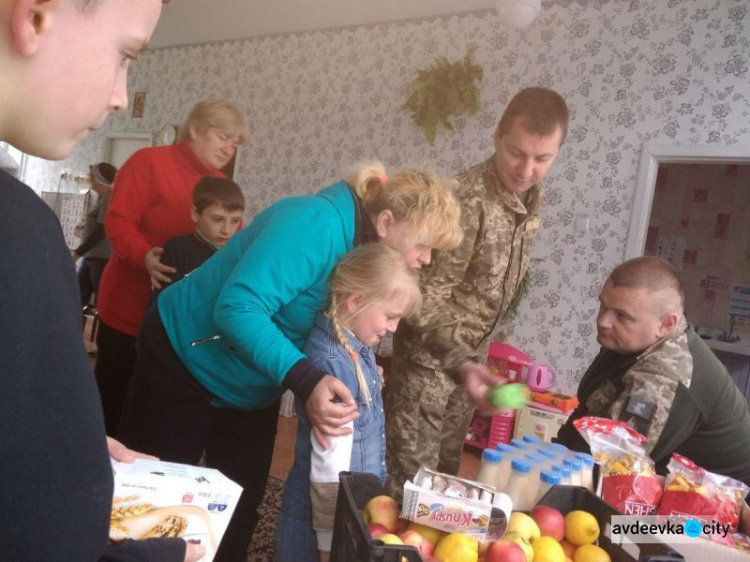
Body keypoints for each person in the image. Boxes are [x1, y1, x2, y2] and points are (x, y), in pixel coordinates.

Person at [119, 162, 464, 561]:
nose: (425, 259)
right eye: (424, 246)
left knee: (240, 497)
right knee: (155, 500)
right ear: (385, 222)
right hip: (182, 355)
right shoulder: (314, 224)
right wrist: (306, 378)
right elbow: (237, 308)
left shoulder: (364, 252)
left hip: (249, 379)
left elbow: (335, 319)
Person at [0, 0, 201, 560]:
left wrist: (68, 444)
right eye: (124, 56)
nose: (120, 94)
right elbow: (44, 538)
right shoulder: (16, 233)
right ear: (35, 17)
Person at [385, 87, 570, 501]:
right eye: (516, 152)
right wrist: (463, 364)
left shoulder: (529, 202)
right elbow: (421, 296)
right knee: (411, 489)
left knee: (446, 488)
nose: (526, 169)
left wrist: (474, 367)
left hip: (469, 372)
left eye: (542, 159)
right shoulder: (463, 200)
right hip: (429, 369)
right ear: (496, 138)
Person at [95, 97, 248, 436]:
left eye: (235, 142)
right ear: (195, 129)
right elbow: (118, 222)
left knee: (156, 414)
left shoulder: (220, 182)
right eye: (223, 136)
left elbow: (231, 243)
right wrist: (144, 255)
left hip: (180, 322)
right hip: (128, 307)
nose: (229, 147)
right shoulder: (148, 161)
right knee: (113, 402)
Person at [276, 244, 422, 562]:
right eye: (390, 316)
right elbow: (329, 466)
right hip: (323, 519)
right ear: (355, 301)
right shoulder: (333, 363)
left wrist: (371, 376)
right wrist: (328, 543)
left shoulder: (356, 342)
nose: (394, 328)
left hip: (351, 507)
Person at [555, 256, 750, 485]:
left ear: (666, 324)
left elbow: (611, 468)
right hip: (662, 481)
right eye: (603, 305)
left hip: (723, 504)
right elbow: (585, 415)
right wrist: (548, 457)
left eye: (621, 315)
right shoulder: (628, 342)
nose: (603, 321)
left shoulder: (664, 376)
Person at [154, 176, 245, 292]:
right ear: (195, 214)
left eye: (235, 221)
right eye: (217, 219)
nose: (227, 230)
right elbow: (161, 305)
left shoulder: (238, 254)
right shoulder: (177, 249)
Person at [73, 161, 118, 308]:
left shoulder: (109, 197)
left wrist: (78, 253)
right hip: (92, 257)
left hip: (101, 258)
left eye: (91, 176)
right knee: (77, 300)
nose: (89, 178)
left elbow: (101, 231)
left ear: (99, 179)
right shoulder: (103, 198)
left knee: (101, 302)